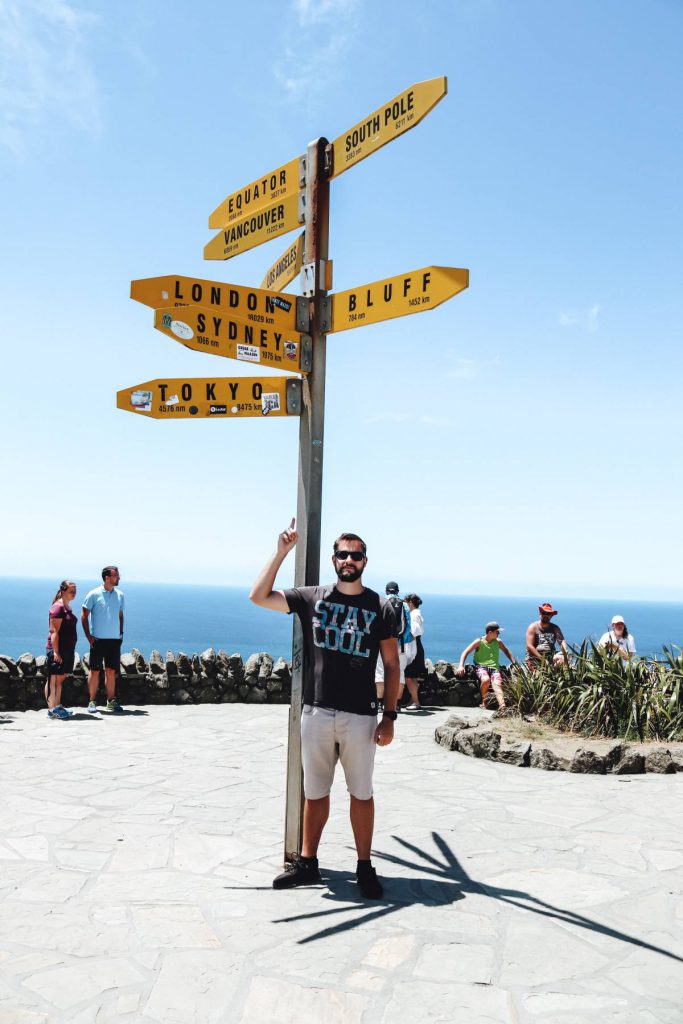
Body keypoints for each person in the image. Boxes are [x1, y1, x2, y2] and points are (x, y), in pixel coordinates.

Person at [249, 520, 400, 899]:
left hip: (361, 715)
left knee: (361, 793)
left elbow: (393, 665)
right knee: (315, 793)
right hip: (316, 712)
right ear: (334, 559)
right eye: (343, 554)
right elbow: (258, 595)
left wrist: (390, 716)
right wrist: (282, 551)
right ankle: (307, 863)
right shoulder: (311, 597)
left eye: (356, 554)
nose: (349, 560)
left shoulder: (379, 606)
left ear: (365, 561)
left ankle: (365, 867)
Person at [81, 566, 125, 713]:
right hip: (98, 640)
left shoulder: (120, 595)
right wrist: (89, 636)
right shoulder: (93, 594)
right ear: (107, 578)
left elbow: (120, 615)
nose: (118, 578)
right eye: (116, 575)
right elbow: (84, 616)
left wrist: (120, 634)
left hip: (114, 641)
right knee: (94, 671)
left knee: (111, 671)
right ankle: (92, 702)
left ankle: (111, 702)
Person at [456, 622, 516, 709]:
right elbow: (466, 652)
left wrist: (514, 662)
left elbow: (506, 651)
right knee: (486, 680)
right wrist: (461, 665)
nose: (499, 634)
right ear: (490, 633)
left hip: (495, 668)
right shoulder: (479, 641)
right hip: (481, 666)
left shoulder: (498, 642)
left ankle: (502, 706)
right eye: (497, 632)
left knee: (497, 683)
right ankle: (484, 701)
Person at [375, 582, 414, 711]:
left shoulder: (381, 601)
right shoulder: (404, 605)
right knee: (400, 672)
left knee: (380, 672)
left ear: (386, 591)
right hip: (400, 644)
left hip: (383, 643)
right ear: (397, 591)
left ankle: (380, 704)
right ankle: (396, 705)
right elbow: (408, 626)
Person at [45, 580, 78, 720]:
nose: (74, 593)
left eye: (75, 591)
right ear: (63, 591)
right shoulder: (57, 608)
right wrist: (56, 652)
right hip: (58, 649)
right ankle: (52, 709)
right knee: (54, 679)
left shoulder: (67, 607)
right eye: (71, 591)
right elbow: (54, 632)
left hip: (67, 649)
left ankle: (57, 706)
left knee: (59, 679)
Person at [526, 602, 569, 668]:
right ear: (540, 614)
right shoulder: (533, 627)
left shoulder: (555, 628)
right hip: (534, 658)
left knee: (563, 658)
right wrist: (542, 659)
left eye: (548, 613)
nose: (546, 615)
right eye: (543, 613)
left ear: (551, 615)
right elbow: (529, 646)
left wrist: (565, 651)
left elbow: (561, 641)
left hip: (550, 657)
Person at [403, 594, 425, 710]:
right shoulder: (417, 613)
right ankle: (414, 699)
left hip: (414, 647)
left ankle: (416, 702)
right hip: (417, 647)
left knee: (409, 677)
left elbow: (414, 632)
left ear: (410, 603)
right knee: (412, 677)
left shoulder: (413, 615)